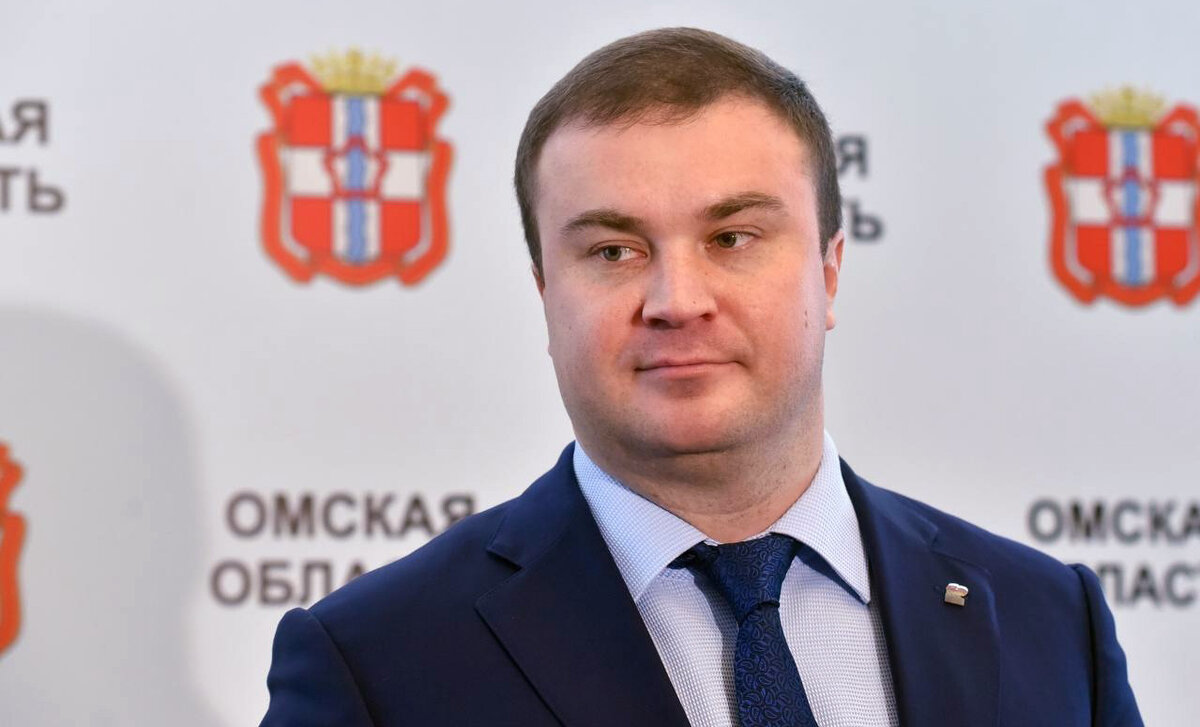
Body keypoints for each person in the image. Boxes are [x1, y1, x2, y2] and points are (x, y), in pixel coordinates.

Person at [260, 27, 1142, 726]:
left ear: (831, 271)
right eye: (613, 250)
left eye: (732, 238)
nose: (677, 301)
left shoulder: (1050, 620)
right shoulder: (376, 663)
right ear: (545, 294)